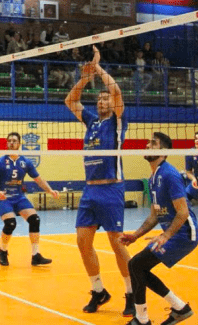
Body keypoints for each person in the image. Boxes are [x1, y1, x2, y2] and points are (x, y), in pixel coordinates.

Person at [64, 46, 134, 316]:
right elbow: (70, 102)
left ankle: (131, 292)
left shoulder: (117, 121)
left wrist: (98, 67)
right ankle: (98, 290)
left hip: (112, 187)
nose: (103, 102)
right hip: (90, 192)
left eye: (106, 99)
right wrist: (84, 78)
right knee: (83, 242)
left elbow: (116, 92)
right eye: (100, 99)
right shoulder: (92, 121)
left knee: (117, 243)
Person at [120, 132, 198, 325]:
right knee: (136, 266)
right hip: (173, 234)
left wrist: (166, 235)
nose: (147, 145)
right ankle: (179, 308)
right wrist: (135, 236)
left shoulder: (170, 175)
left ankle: (143, 319)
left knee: (137, 265)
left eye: (153, 143)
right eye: (148, 142)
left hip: (184, 235)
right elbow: (155, 214)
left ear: (163, 151)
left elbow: (183, 212)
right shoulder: (154, 177)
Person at [0, 132, 59, 266]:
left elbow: (38, 179)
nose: (11, 143)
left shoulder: (25, 162)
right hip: (4, 197)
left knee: (35, 219)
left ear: (19, 144)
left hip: (19, 196)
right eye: (9, 141)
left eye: (14, 140)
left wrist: (49, 190)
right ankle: (2, 251)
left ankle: (35, 255)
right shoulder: (0, 162)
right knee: (10, 223)